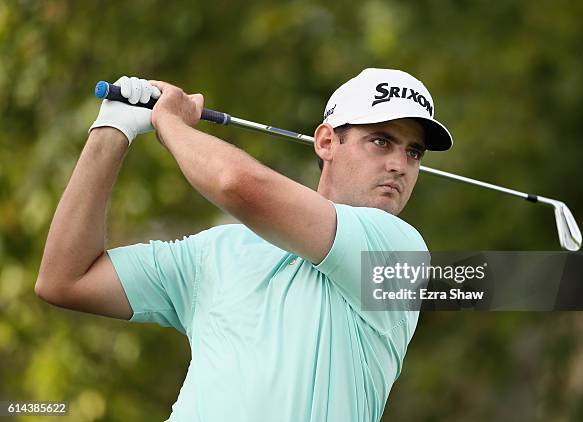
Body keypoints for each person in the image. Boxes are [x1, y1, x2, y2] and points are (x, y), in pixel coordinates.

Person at [35, 68, 453, 421]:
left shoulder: (399, 252)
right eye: (381, 141)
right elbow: (66, 280)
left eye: (413, 152)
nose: (400, 164)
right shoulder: (217, 250)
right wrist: (113, 129)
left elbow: (239, 185)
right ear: (326, 142)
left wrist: (170, 123)